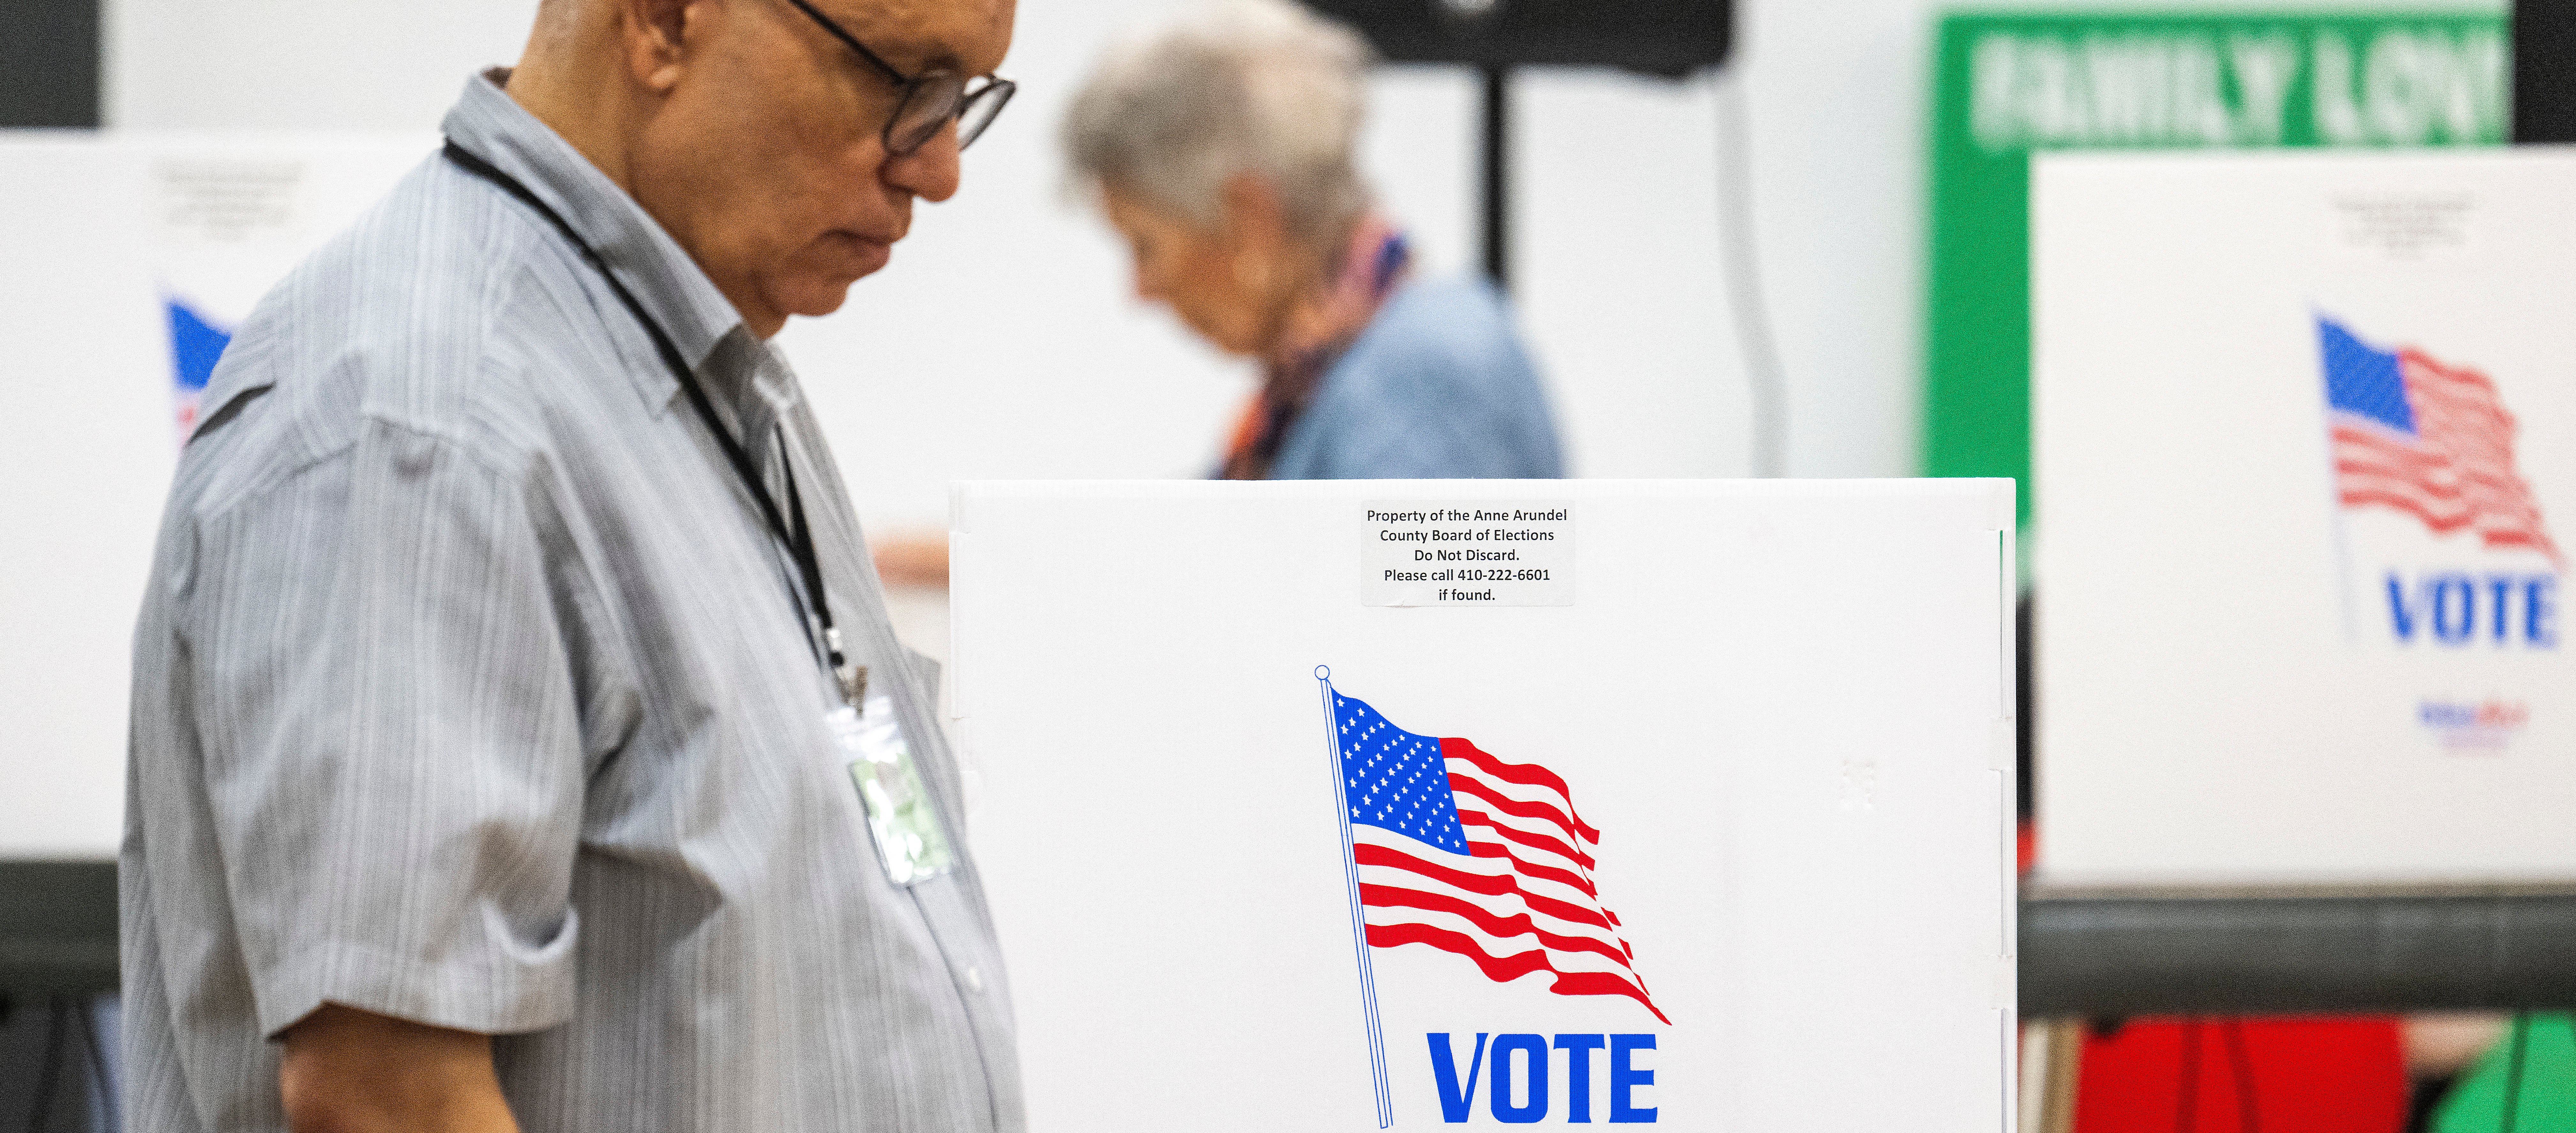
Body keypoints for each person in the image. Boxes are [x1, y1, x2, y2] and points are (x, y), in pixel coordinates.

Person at [120, 0, 1022, 1129]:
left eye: (961, 101)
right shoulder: (426, 416)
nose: (936, 169)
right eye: (901, 81)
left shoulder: (685, 372)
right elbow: (387, 1096)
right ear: (663, 22)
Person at [1066, 0, 1564, 481]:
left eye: (1146, 244)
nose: (1141, 290)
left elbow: (1402, 570)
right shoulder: (1325, 380)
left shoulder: (1420, 372)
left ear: (1250, 218)